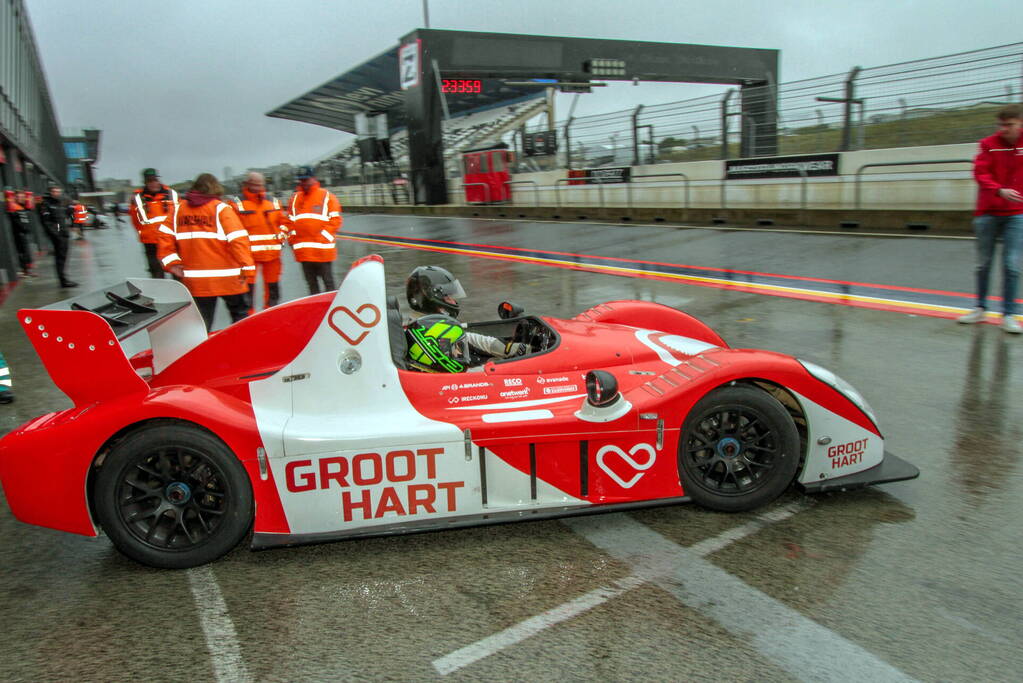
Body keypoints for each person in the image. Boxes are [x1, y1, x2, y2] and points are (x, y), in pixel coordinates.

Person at [157, 173, 255, 331]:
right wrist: (248, 268)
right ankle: (242, 350)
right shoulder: (221, 209)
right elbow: (238, 240)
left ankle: (201, 352)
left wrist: (172, 264)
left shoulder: (178, 211)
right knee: (240, 319)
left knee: (201, 326)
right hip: (229, 278)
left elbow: (163, 238)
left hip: (197, 282)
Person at [958, 104, 1023, 334]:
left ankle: (1009, 314)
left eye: (1009, 125)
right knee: (983, 263)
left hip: (1017, 214)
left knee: (1012, 265)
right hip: (988, 212)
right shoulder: (989, 144)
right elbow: (980, 173)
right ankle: (980, 308)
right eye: (1000, 125)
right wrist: (999, 190)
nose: (1003, 129)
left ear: (1020, 123)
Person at [404, 265, 527, 371]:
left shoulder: (424, 325)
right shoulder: (430, 331)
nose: (453, 301)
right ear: (431, 298)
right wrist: (505, 365)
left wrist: (501, 348)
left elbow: (466, 338)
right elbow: (462, 375)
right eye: (448, 297)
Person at [232, 172, 287, 312]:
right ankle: (248, 316)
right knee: (247, 288)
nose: (258, 187)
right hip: (249, 256)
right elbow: (232, 228)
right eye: (255, 184)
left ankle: (271, 311)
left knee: (273, 286)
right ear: (247, 184)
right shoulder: (236, 203)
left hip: (272, 254)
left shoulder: (273, 202)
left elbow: (284, 222)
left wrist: (282, 237)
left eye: (260, 184)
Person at [283, 166, 342, 294]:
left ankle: (330, 310)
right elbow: (289, 222)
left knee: (328, 284)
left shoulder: (327, 196)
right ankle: (317, 312)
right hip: (304, 253)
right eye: (301, 181)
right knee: (312, 286)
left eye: (306, 180)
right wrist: (293, 240)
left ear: (313, 179)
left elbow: (335, 221)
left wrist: (322, 238)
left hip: (322, 252)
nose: (303, 183)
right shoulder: (294, 199)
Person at [131, 168, 179, 278]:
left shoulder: (171, 194)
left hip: (171, 239)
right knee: (156, 272)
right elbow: (135, 220)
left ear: (158, 180)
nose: (153, 183)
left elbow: (180, 214)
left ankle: (179, 291)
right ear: (145, 182)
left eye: (154, 180)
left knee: (176, 269)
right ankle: (159, 293)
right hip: (150, 241)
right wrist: (144, 233)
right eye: (149, 181)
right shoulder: (138, 198)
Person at [36, 184, 77, 288]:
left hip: (63, 230)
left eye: (58, 191)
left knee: (63, 256)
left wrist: (73, 223)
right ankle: (62, 280)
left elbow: (70, 213)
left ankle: (64, 278)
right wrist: (55, 234)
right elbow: (46, 222)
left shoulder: (63, 202)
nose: (56, 193)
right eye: (54, 191)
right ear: (50, 192)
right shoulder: (46, 203)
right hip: (57, 231)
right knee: (60, 256)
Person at [5, 188, 34, 277]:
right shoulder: (13, 207)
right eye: (18, 197)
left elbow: (29, 210)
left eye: (22, 196)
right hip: (18, 233)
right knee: (22, 251)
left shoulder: (23, 206)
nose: (21, 198)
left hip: (24, 231)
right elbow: (13, 218)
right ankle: (24, 270)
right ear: (15, 197)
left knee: (26, 251)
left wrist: (29, 198)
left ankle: (27, 270)